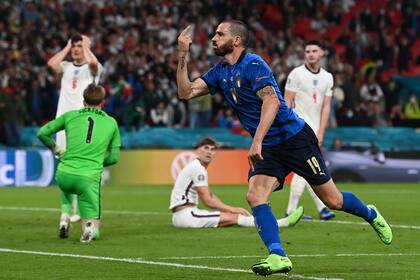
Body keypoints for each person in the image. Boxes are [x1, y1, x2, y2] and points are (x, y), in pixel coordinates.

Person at [176, 20, 392, 276]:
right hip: (269, 145)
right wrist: (182, 55)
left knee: (332, 200)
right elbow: (185, 92)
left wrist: (256, 140)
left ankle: (370, 213)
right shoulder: (219, 72)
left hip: (295, 139)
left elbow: (271, 101)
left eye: (220, 34)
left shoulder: (254, 64)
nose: (213, 38)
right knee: (255, 196)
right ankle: (278, 255)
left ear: (236, 40)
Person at [37, 84, 120, 243]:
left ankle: (65, 216)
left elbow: (42, 133)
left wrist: (57, 150)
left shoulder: (70, 116)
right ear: (103, 102)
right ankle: (89, 229)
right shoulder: (111, 123)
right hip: (88, 178)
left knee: (69, 187)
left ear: (83, 102)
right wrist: (97, 161)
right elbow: (115, 157)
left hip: (63, 175)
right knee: (88, 204)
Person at [169, 136, 304, 229]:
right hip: (186, 215)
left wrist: (231, 209)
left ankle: (271, 223)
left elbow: (210, 195)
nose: (209, 152)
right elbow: (208, 201)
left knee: (232, 219)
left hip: (184, 215)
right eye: (206, 148)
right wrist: (234, 209)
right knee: (235, 217)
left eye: (212, 149)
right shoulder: (197, 168)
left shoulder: (196, 166)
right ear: (197, 150)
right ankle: (280, 224)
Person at [47, 34, 103, 223]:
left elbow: (94, 64)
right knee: (65, 165)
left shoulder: (92, 69)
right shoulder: (66, 67)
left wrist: (87, 46)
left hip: (83, 125)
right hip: (64, 123)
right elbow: (51, 64)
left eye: (80, 46)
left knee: (82, 165)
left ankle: (80, 209)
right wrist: (67, 46)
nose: (77, 49)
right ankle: (67, 209)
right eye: (75, 47)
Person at [284, 40, 336, 221]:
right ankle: (296, 211)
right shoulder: (296, 74)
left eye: (314, 50)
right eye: (308, 51)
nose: (311, 54)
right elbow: (287, 101)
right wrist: (287, 126)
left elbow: (326, 107)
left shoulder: (328, 77)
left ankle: (320, 208)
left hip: (315, 130)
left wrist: (321, 132)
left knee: (309, 169)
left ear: (322, 53)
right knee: (305, 169)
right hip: (298, 128)